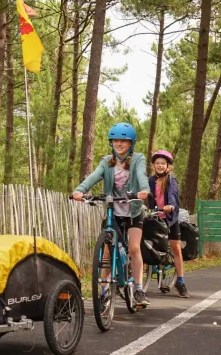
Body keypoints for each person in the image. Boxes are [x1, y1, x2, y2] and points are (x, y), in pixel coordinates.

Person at [72, 123, 150, 307]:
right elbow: (94, 176)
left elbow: (141, 175)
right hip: (113, 211)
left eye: (124, 140)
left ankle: (138, 289)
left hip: (133, 210)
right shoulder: (107, 161)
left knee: (134, 249)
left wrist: (144, 190)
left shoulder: (137, 159)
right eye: (116, 140)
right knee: (107, 250)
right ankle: (104, 291)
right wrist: (79, 190)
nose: (119, 143)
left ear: (131, 143)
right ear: (111, 142)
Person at [147, 150, 188, 297]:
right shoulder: (151, 180)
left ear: (168, 166)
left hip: (170, 218)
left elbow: (172, 194)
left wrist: (170, 206)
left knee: (176, 248)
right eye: (157, 163)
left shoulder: (171, 179)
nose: (159, 165)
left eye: (162, 163)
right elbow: (148, 196)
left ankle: (181, 281)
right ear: (153, 165)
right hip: (156, 216)